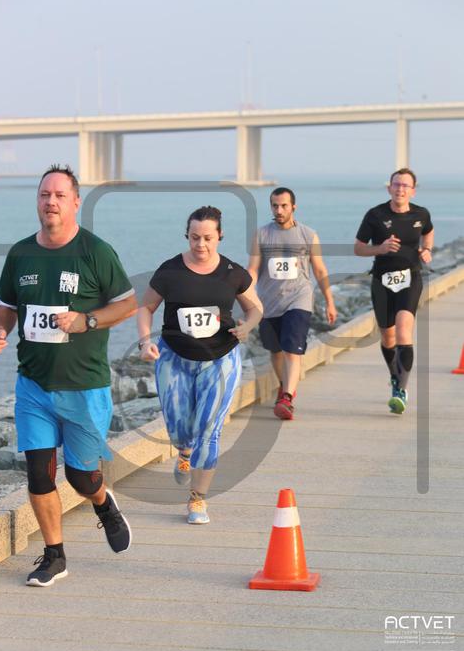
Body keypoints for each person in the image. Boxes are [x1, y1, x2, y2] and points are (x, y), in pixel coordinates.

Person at [0, 164, 137, 586]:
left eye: (58, 195)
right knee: (38, 472)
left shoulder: (95, 251)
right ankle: (54, 555)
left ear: (75, 202)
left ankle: (103, 503)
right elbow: (7, 306)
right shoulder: (20, 254)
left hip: (84, 386)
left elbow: (127, 305)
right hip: (33, 385)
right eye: (44, 195)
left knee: (80, 477)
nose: (50, 202)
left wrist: (86, 321)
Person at [137, 206, 263, 525]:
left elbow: (255, 309)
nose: (201, 244)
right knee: (179, 428)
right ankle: (183, 450)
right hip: (174, 358)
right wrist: (144, 341)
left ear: (219, 236)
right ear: (187, 236)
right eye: (194, 237)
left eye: (207, 238)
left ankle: (197, 499)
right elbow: (146, 307)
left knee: (209, 429)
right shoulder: (170, 271)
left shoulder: (232, 273)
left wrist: (248, 327)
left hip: (220, 359)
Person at [248, 187, 337, 420]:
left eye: (284, 206)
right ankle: (284, 388)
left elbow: (319, 270)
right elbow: (253, 269)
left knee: (291, 349)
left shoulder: (308, 235)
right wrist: (247, 296)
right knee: (275, 351)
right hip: (269, 302)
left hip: (299, 298)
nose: (279, 210)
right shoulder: (261, 235)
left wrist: (330, 301)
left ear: (293, 207)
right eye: (275, 206)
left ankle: (287, 397)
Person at [354, 167, 434, 414]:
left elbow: (428, 232)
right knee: (388, 338)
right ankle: (395, 376)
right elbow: (358, 248)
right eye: (396, 185)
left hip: (410, 278)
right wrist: (380, 248)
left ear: (413, 191)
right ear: (389, 188)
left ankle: (401, 390)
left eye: (405, 185)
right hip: (382, 280)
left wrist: (427, 250)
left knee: (403, 331)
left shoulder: (421, 214)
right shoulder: (375, 215)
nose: (400, 189)